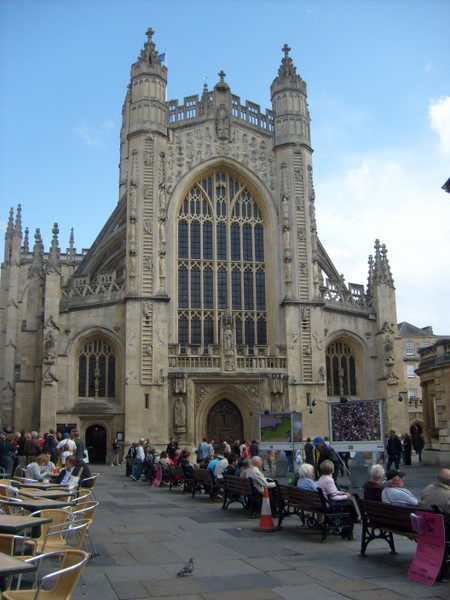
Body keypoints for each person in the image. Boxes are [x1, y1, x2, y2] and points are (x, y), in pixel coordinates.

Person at [316, 460, 360, 531]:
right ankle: (354, 520)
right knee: (349, 503)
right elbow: (334, 497)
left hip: (323, 502)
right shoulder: (329, 480)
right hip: (329, 505)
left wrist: (342, 493)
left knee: (348, 502)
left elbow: (333, 492)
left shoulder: (322, 478)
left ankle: (355, 519)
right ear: (332, 469)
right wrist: (345, 496)